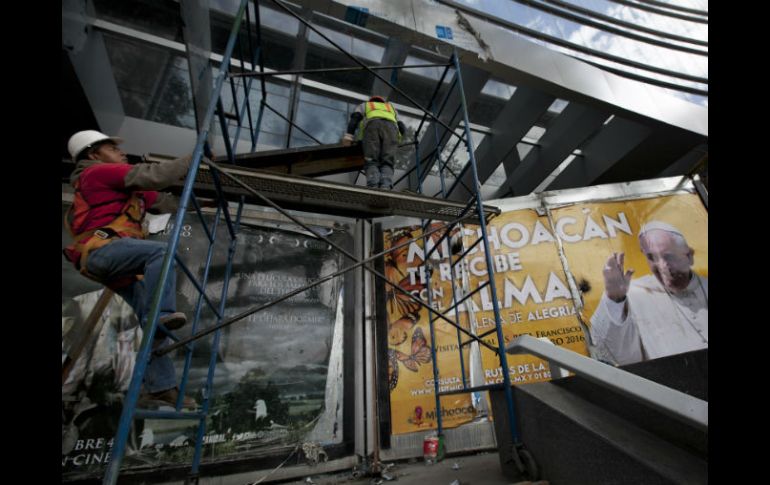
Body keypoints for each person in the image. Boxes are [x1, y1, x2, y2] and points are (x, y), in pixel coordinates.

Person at [63, 130, 197, 408]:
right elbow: (155, 175)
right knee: (160, 254)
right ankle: (160, 315)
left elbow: (163, 201)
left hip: (115, 263)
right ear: (93, 154)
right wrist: (193, 159)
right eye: (112, 148)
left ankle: (161, 387)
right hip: (102, 252)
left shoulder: (130, 191)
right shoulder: (97, 174)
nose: (121, 153)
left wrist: (205, 202)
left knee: (151, 321)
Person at [589, 221, 708, 365]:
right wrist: (615, 299)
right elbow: (619, 357)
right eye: (652, 257)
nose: (662, 266)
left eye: (668, 256)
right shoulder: (634, 294)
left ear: (689, 256)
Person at [341, 95, 406, 190]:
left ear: (371, 101)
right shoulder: (391, 108)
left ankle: (373, 187)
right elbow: (402, 127)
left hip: (372, 127)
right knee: (387, 163)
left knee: (371, 161)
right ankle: (386, 187)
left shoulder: (365, 105)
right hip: (392, 130)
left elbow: (355, 119)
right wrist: (395, 141)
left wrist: (348, 137)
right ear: (382, 102)